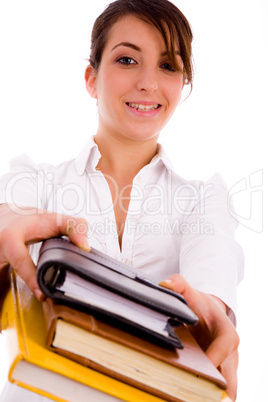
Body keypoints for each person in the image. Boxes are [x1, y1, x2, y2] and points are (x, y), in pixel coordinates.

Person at [0, 0, 244, 400]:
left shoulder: (204, 200)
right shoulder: (36, 179)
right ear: (92, 78)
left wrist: (211, 312)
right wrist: (6, 226)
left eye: (168, 65)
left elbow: (212, 278)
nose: (149, 82)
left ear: (182, 85)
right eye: (128, 60)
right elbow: (10, 210)